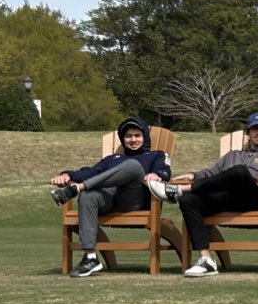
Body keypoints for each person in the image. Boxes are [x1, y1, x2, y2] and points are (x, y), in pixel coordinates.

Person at [145, 112, 258, 277]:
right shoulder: (233, 155)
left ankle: (181, 190)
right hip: (225, 199)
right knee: (188, 200)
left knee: (239, 171)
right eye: (255, 129)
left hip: (253, 200)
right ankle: (206, 260)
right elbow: (212, 172)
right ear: (248, 132)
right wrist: (194, 175)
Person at [49, 117, 172, 277]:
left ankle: (77, 188)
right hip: (108, 201)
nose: (133, 139)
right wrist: (66, 175)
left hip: (134, 200)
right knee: (87, 196)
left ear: (144, 137)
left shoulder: (156, 155)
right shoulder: (112, 159)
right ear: (123, 139)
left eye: (137, 135)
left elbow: (166, 172)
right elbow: (89, 172)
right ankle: (90, 258)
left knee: (133, 165)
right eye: (128, 136)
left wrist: (157, 174)